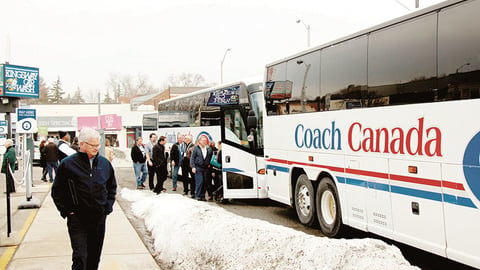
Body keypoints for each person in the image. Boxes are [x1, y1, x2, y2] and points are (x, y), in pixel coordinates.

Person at [52, 127, 117, 270]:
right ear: (82, 144)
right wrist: (68, 212)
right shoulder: (68, 165)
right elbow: (57, 191)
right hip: (78, 219)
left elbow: (112, 187)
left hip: (98, 218)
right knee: (80, 257)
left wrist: (107, 207)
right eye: (93, 145)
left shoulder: (105, 164)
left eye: (98, 145)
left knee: (94, 257)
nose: (96, 148)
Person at [190, 136, 213, 200]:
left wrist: (210, 164)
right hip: (198, 167)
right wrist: (193, 167)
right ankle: (198, 195)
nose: (204, 142)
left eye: (205, 140)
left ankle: (203, 195)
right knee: (199, 181)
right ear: (199, 141)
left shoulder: (209, 149)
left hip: (206, 168)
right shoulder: (196, 149)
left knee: (205, 182)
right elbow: (192, 158)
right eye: (203, 140)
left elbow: (211, 158)